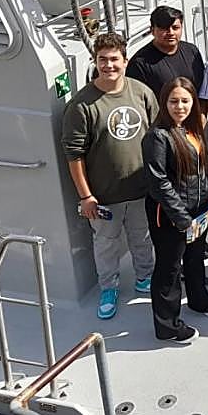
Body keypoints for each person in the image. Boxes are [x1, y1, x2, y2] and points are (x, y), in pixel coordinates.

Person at [61, 33, 158, 320]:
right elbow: (74, 155)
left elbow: (157, 137)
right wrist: (86, 196)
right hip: (104, 196)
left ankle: (145, 278)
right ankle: (109, 288)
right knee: (106, 245)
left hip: (142, 190)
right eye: (102, 59)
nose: (109, 65)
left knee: (142, 238)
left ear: (125, 61)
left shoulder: (142, 93)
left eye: (114, 59)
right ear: (95, 61)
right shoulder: (82, 105)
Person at [142, 77, 208, 342]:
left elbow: (203, 172)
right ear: (164, 103)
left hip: (198, 212)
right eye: (174, 101)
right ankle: (167, 325)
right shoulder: (158, 136)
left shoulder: (192, 130)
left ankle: (198, 299)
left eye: (185, 101)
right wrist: (182, 218)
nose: (180, 107)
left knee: (194, 258)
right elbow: (159, 182)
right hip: (170, 216)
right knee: (169, 268)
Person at [126, 6, 206, 100]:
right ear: (152, 30)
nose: (171, 32)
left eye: (175, 28)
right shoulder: (139, 64)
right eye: (164, 28)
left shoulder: (192, 51)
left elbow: (203, 89)